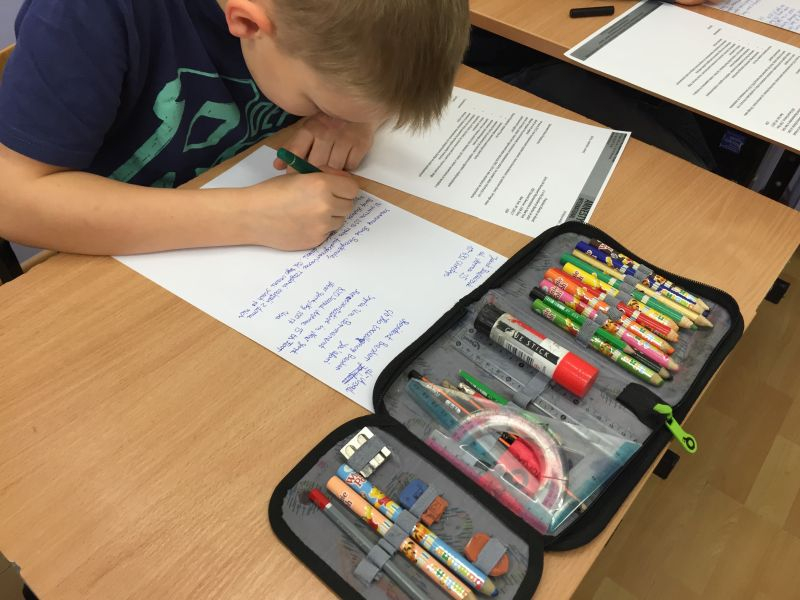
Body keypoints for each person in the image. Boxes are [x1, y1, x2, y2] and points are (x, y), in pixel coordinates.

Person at [0, 0, 469, 253]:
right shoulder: (84, 14)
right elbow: (13, 200)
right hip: (110, 257)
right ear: (246, 22)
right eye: (319, 100)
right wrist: (248, 216)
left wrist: (350, 118)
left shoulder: (316, 23)